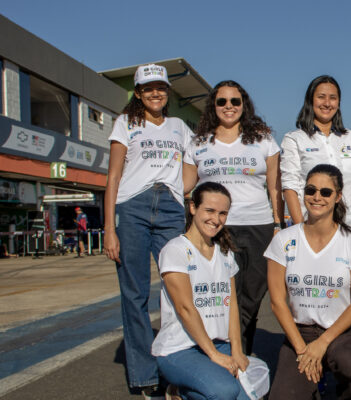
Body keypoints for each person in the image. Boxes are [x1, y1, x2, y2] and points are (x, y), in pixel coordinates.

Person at [103, 64, 192, 398]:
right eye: (148, 88)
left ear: (168, 93)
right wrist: (109, 228)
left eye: (162, 88)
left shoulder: (179, 126)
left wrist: (177, 192)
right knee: (135, 294)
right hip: (132, 208)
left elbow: (191, 166)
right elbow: (112, 177)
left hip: (170, 208)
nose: (156, 93)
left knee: (178, 289)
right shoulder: (126, 123)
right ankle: (145, 377)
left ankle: (177, 366)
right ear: (138, 93)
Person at [183, 80, 282, 355]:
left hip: (258, 225)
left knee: (251, 296)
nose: (229, 107)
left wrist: (278, 223)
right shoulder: (199, 143)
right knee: (225, 296)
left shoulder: (262, 139)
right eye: (222, 101)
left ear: (244, 105)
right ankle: (231, 356)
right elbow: (184, 185)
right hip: (216, 229)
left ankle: (235, 353)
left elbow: (275, 185)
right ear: (213, 106)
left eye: (235, 101)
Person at [265, 164, 351, 399]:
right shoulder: (284, 240)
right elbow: (277, 302)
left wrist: (323, 342)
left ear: (338, 197)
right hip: (300, 333)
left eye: (326, 192)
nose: (317, 197)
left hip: (343, 330)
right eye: (310, 190)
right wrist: (303, 351)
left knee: (348, 363)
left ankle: (350, 393)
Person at [152, 182, 249, 400]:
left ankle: (180, 392)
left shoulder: (225, 254)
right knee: (225, 391)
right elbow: (185, 309)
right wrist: (214, 355)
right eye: (210, 210)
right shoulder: (175, 251)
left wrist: (237, 350)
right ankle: (182, 389)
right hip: (180, 349)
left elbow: (231, 305)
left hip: (219, 344)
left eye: (223, 213)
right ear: (193, 207)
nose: (216, 219)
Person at [280, 75, 351, 239]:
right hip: (311, 229)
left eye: (333, 98)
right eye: (321, 97)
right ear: (310, 100)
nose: (327, 103)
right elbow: (290, 186)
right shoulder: (294, 139)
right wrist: (302, 229)